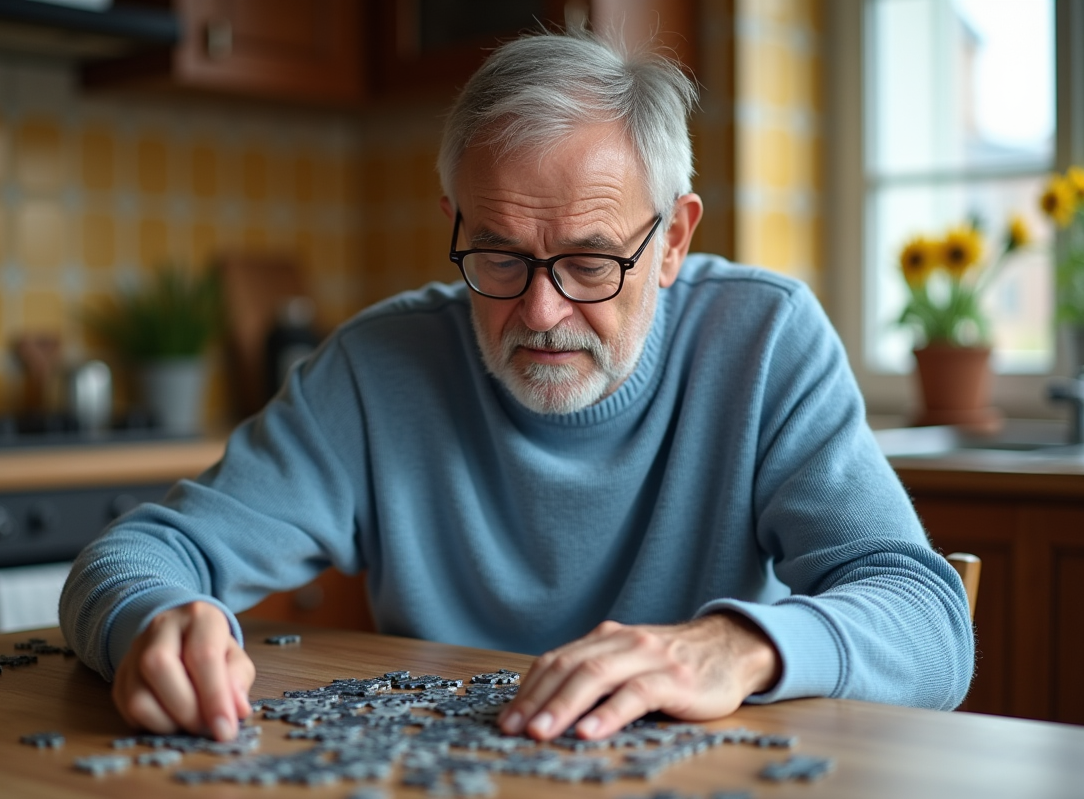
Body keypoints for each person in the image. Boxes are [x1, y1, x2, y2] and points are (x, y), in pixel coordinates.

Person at [60, 28, 974, 745]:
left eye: (587, 261)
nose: (539, 312)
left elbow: (930, 621)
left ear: (673, 242)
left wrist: (737, 647)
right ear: (454, 221)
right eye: (497, 255)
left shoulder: (766, 339)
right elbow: (131, 558)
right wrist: (152, 622)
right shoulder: (379, 368)